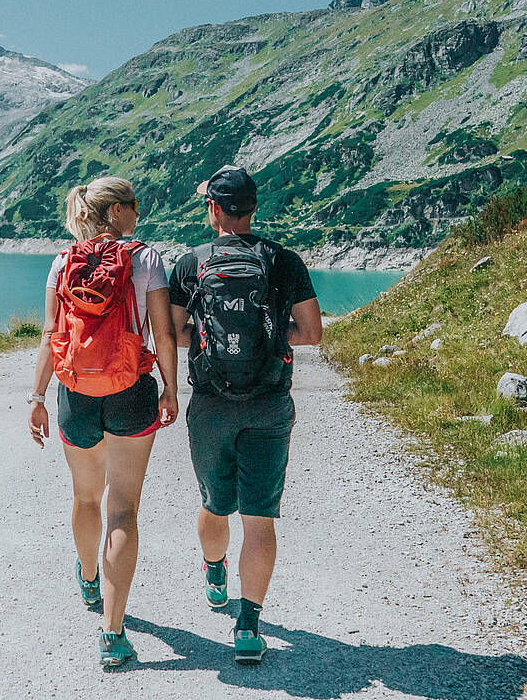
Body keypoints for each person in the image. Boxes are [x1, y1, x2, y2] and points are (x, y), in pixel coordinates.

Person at [168, 165, 321, 665]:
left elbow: (173, 332)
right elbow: (312, 332)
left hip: (211, 405)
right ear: (253, 208)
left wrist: (211, 343)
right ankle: (249, 625)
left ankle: (215, 570)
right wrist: (273, 341)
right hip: (270, 403)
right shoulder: (283, 260)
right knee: (259, 517)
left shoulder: (191, 263)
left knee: (215, 503)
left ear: (213, 209)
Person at [27, 175, 178, 670]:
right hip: (131, 391)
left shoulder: (61, 262)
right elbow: (164, 332)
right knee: (124, 511)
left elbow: (52, 334)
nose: (138, 211)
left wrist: (36, 396)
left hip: (75, 394)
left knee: (85, 497)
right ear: (114, 211)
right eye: (132, 204)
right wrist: (172, 391)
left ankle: (89, 576)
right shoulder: (147, 258)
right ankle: (112, 634)